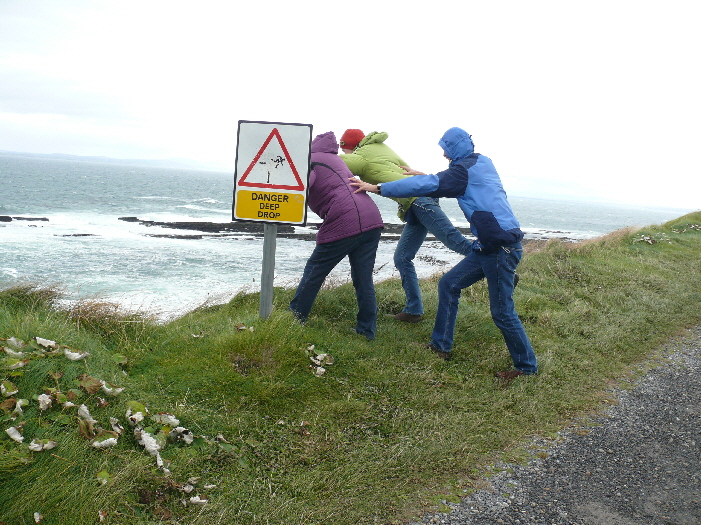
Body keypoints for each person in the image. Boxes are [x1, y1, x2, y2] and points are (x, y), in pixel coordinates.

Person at [350, 127, 537, 379]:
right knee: (449, 284)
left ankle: (526, 369)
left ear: (453, 148)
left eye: (445, 151)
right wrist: (427, 175)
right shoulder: (481, 162)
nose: (444, 155)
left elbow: (437, 183)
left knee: (502, 312)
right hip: (489, 245)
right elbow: (449, 181)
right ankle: (440, 346)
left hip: (501, 248)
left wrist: (378, 188)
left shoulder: (463, 170)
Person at [339, 128, 473, 324]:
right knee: (402, 258)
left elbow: (333, 164)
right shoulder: (381, 149)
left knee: (453, 239)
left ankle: (500, 264)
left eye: (345, 150)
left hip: (419, 201)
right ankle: (413, 310)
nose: (346, 155)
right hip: (417, 203)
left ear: (349, 147)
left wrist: (312, 154)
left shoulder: (361, 155)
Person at [289, 131, 384, 341]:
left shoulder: (310, 159)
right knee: (363, 279)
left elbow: (302, 186)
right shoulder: (336, 160)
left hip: (344, 219)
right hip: (371, 218)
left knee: (315, 271)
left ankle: (294, 319)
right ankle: (367, 331)